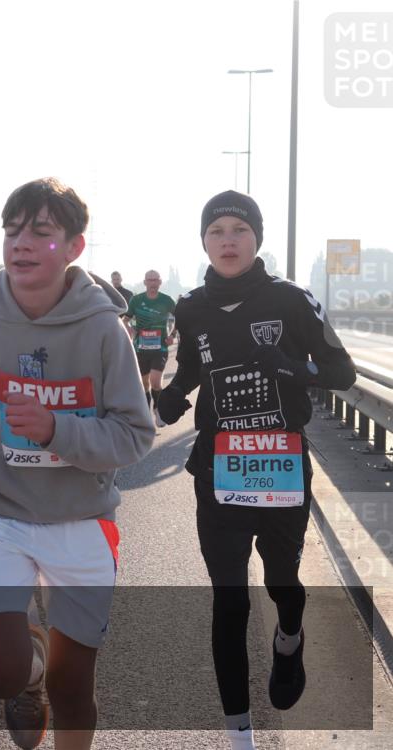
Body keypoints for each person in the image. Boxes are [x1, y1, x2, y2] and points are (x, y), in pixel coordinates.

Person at [0, 177, 154, 750]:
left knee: (76, 687)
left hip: (82, 518)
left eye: (40, 232)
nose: (21, 243)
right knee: (0, 674)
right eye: (12, 231)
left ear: (74, 247)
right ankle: (30, 671)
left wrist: (55, 428)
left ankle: (53, 676)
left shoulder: (103, 327)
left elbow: (135, 434)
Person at [157, 191, 355, 750]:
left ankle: (289, 639)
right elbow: (195, 366)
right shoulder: (190, 307)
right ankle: (238, 733)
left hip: (280, 467)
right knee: (229, 598)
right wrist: (174, 393)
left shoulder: (292, 299)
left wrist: (295, 367)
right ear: (203, 241)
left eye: (238, 229)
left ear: (256, 239)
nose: (226, 239)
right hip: (217, 470)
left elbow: (339, 371)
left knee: (281, 583)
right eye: (215, 229)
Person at [126, 270, 176, 426]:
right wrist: (130, 331)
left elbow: (179, 318)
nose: (153, 283)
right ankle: (146, 414)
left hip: (160, 348)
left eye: (155, 280)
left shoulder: (167, 300)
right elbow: (125, 319)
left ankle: (158, 410)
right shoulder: (136, 300)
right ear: (145, 282)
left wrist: (172, 335)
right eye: (150, 280)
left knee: (155, 381)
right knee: (144, 384)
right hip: (141, 349)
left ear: (160, 282)